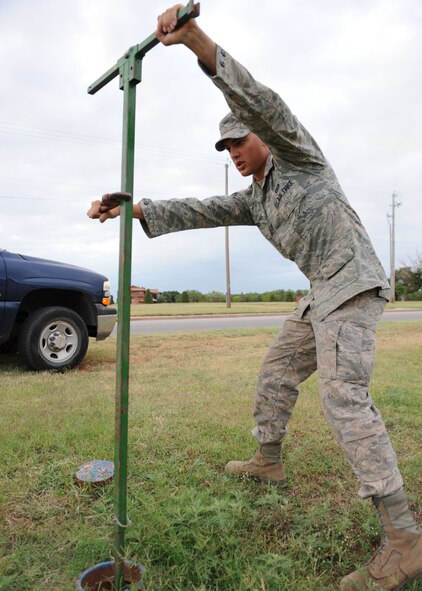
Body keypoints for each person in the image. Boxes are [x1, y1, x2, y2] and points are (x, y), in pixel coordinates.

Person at [88, 6, 422, 590]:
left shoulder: (300, 157)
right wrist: (132, 207)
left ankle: (404, 538)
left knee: (344, 398)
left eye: (240, 140)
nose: (234, 151)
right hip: (321, 291)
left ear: (261, 134)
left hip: (353, 281)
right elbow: (199, 209)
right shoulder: (255, 200)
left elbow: (263, 102)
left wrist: (194, 41)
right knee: (276, 370)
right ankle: (268, 460)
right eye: (226, 148)